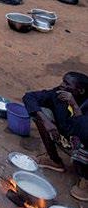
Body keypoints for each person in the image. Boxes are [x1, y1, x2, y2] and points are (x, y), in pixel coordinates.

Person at [22, 73, 88, 201]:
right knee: (40, 113)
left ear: (80, 91)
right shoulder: (59, 93)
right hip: (68, 137)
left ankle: (85, 179)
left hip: (84, 141)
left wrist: (74, 105)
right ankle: (54, 160)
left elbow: (84, 129)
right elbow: (29, 97)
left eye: (67, 84)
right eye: (63, 81)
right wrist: (46, 121)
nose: (62, 85)